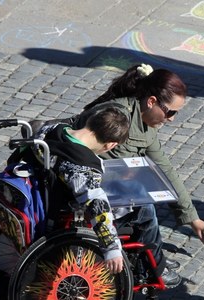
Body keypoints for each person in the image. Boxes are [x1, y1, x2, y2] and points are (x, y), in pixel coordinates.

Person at [72, 63, 204, 287]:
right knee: (144, 208)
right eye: (170, 112)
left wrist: (192, 217)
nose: (172, 119)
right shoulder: (117, 118)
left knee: (144, 197)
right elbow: (94, 159)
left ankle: (153, 258)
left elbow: (164, 169)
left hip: (102, 182)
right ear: (151, 102)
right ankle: (153, 268)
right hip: (84, 187)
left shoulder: (144, 125)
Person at [35, 106, 130, 274]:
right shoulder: (83, 168)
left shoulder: (51, 130)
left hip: (43, 194)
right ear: (111, 144)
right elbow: (97, 206)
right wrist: (112, 249)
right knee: (144, 213)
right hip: (68, 212)